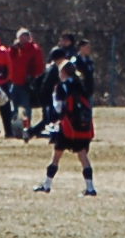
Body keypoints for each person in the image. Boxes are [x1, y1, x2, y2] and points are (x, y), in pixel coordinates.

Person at [33, 50, 98, 193]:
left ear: (62, 72)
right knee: (83, 156)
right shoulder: (80, 85)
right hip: (81, 127)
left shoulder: (61, 87)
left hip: (67, 127)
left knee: (56, 156)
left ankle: (47, 185)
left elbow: (58, 108)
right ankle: (90, 187)